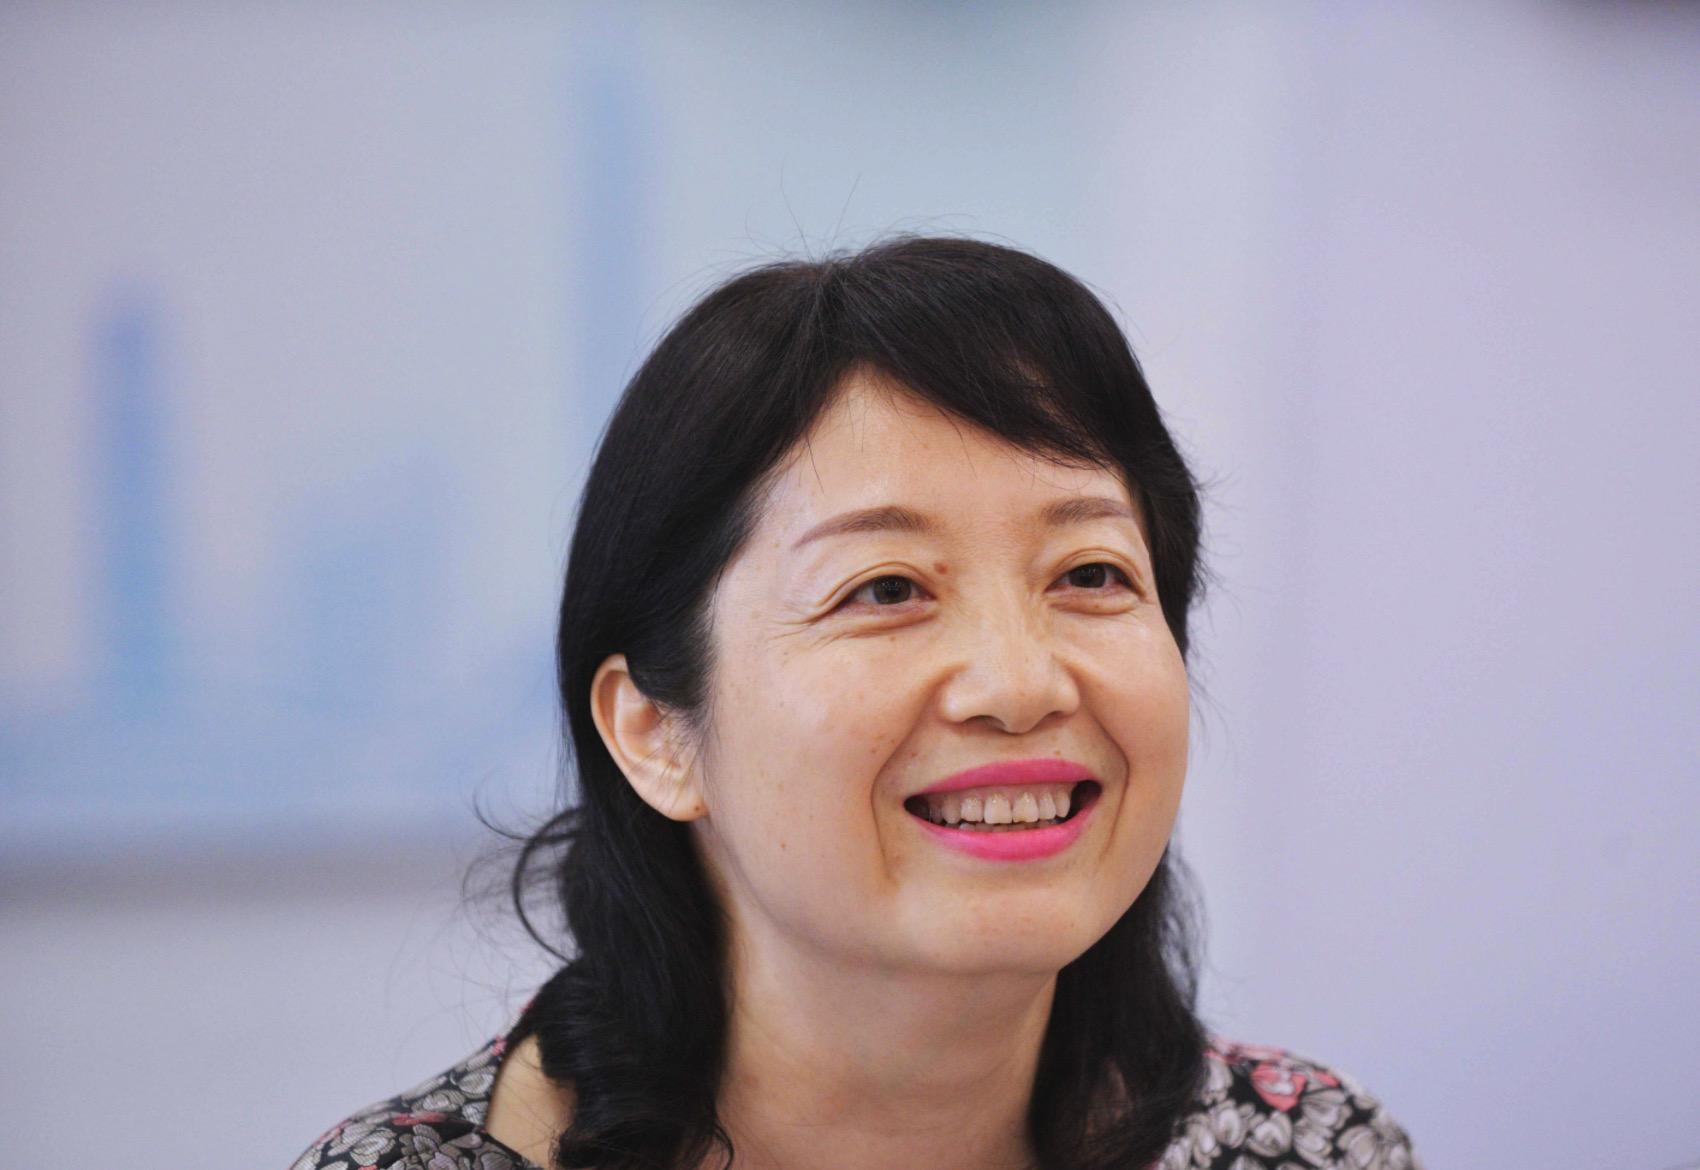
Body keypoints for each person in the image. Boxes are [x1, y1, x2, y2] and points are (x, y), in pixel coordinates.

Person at [293, 237, 1422, 1170]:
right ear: (654, 733)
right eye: (884, 589)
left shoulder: (1313, 1151)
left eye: (1089, 574)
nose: (1019, 684)